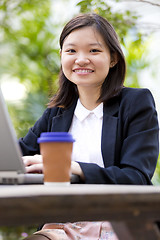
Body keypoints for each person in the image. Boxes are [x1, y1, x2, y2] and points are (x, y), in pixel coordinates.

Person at [20, 13, 159, 240]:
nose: (81, 59)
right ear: (62, 56)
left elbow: (136, 178)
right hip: (61, 225)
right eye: (71, 51)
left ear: (113, 58)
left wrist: (74, 167)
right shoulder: (56, 113)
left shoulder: (136, 103)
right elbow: (16, 158)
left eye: (94, 51)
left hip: (119, 223)